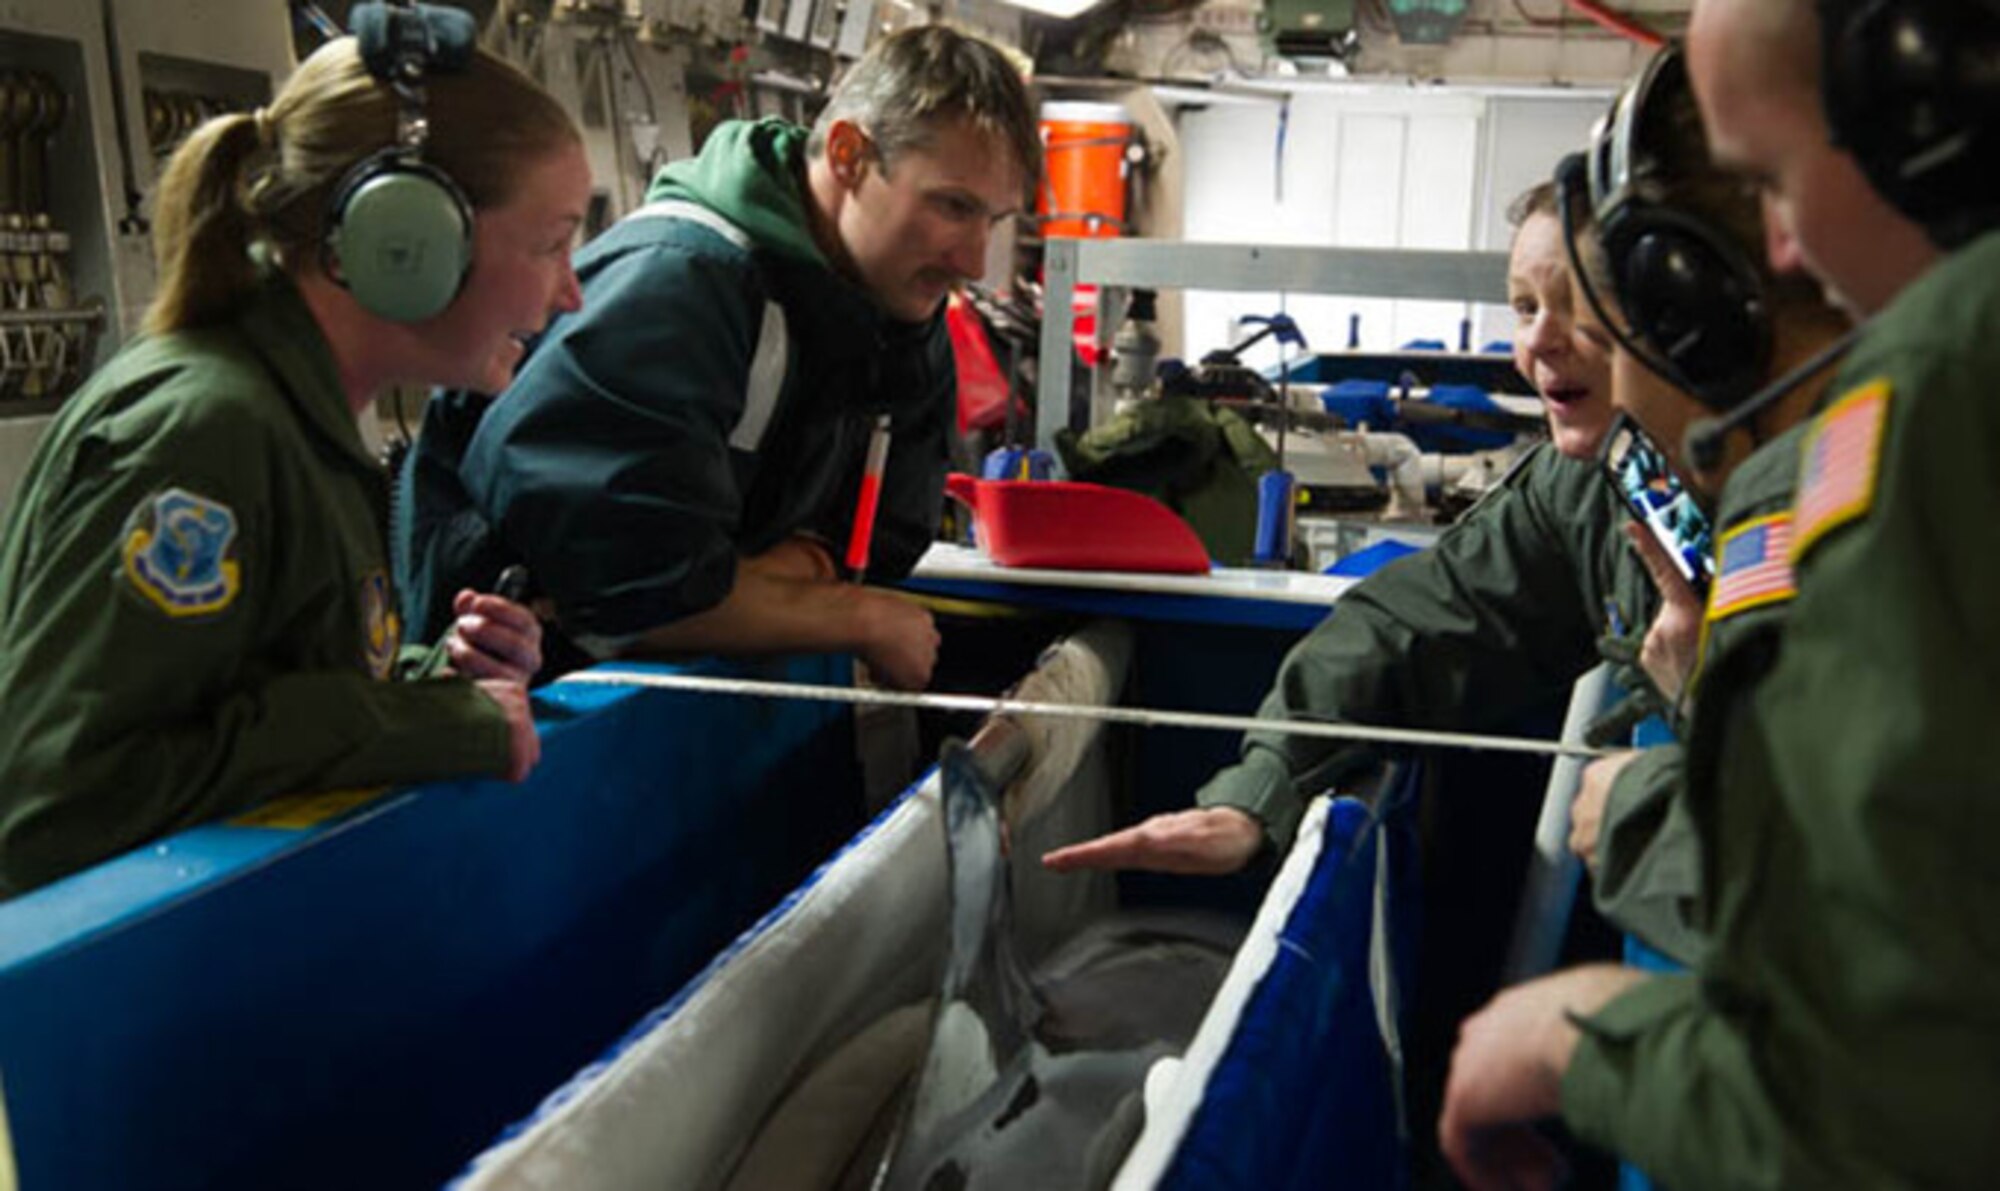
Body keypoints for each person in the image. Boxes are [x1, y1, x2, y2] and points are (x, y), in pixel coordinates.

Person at [1441, 1, 2000, 1185]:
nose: (1782, 252)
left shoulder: (1929, 390)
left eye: (1777, 178)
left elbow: (1866, 1098)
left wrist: (1577, 1046)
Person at [0, 8, 576, 898]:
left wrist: (440, 681)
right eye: (550, 243)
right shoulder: (201, 438)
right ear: (411, 241)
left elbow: (247, 709)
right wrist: (427, 728)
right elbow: (58, 806)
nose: (571, 292)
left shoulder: (293, 425)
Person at [1041, 181, 1671, 878]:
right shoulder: (1586, 486)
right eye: (1524, 306)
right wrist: (1260, 791)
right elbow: (1414, 622)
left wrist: (1671, 766)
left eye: (1578, 307)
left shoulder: (1779, 510)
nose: (1538, 342)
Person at [395, 24, 1041, 691]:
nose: (973, 260)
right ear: (848, 155)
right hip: (529, 723)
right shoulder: (681, 284)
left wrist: (762, 585)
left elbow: (884, 539)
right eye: (953, 206)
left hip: (700, 719)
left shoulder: (901, 306)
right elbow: (623, 586)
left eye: (992, 219)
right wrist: (857, 616)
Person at [1557, 46, 1852, 969]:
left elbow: (1848, 930)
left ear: (1693, 320)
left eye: (1614, 342)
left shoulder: (1814, 499)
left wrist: (1645, 817)